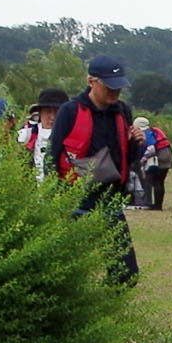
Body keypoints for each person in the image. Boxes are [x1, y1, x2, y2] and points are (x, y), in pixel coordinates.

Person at [50, 57, 139, 284]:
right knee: (68, 273)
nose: (115, 92)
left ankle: (108, 311)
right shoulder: (69, 111)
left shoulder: (122, 112)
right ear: (91, 81)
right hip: (76, 200)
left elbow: (128, 159)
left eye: (118, 86)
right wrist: (55, 200)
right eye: (109, 86)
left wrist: (136, 143)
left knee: (125, 274)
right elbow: (53, 155)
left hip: (109, 201)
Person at [132, 115, 172, 209]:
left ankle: (154, 205)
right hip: (168, 155)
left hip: (160, 157)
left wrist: (142, 160)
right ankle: (158, 204)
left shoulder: (146, 133)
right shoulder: (154, 131)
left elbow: (151, 149)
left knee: (154, 181)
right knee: (160, 182)